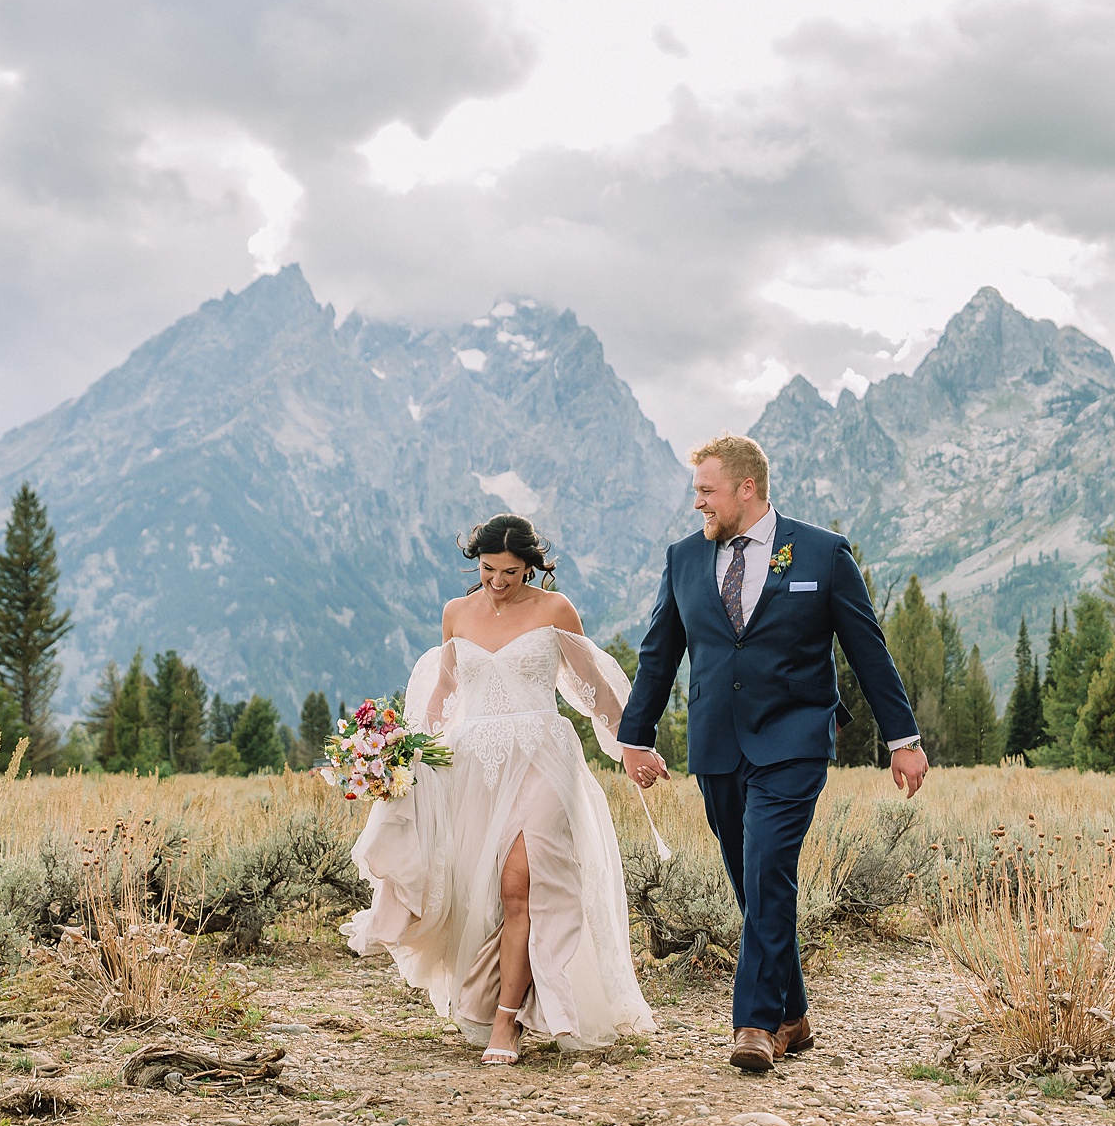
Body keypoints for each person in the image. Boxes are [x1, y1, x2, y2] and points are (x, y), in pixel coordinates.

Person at [619, 434, 926, 1074]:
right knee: (749, 877)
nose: (697, 502)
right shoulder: (683, 559)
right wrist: (636, 735)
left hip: (794, 739)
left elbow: (867, 649)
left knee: (765, 869)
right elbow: (659, 653)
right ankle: (794, 1009)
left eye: (707, 491)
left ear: (747, 489)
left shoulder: (821, 552)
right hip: (716, 743)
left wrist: (903, 740)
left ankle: (756, 1024)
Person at [342, 514, 656, 1064]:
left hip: (541, 756)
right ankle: (492, 996)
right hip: (473, 765)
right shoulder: (456, 614)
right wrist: (401, 753)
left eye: (510, 572)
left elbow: (595, 689)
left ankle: (506, 1024)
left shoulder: (554, 611)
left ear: (531, 567)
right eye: (488, 569)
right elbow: (444, 689)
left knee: (521, 887)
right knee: (479, 894)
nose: (497, 581)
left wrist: (630, 746)